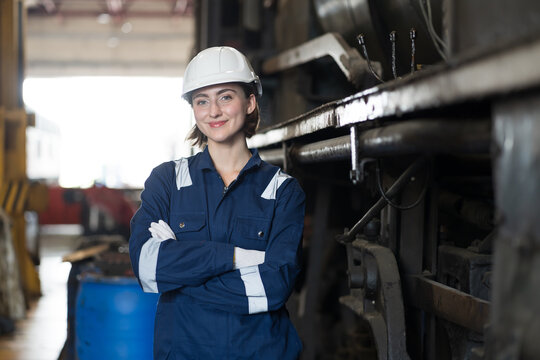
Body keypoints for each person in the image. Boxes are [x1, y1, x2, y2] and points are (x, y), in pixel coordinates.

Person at [129, 46, 305, 359]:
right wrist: (235, 257)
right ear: (193, 109)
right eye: (201, 100)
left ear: (250, 102)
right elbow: (146, 266)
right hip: (183, 351)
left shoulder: (283, 191)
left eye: (225, 96)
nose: (213, 111)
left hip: (261, 352)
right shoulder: (167, 180)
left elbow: (271, 288)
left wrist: (181, 274)